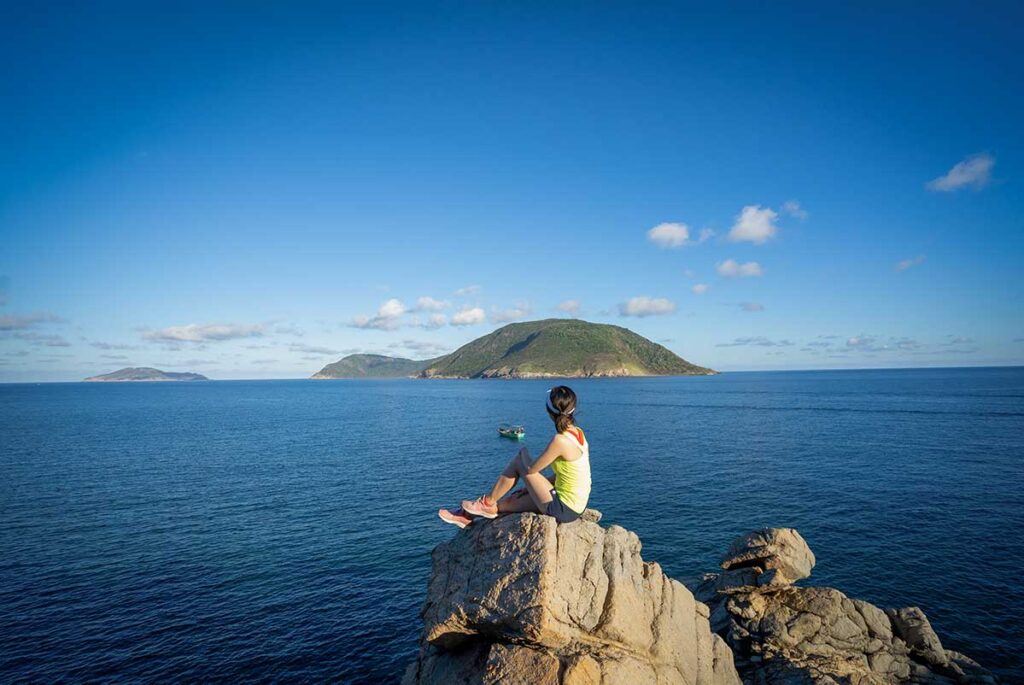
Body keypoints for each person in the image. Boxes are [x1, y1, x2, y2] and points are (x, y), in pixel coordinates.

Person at [439, 386, 591, 528]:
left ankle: (486, 501)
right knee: (506, 504)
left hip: (563, 507)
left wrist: (525, 460)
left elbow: (531, 470)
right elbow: (565, 475)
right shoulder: (578, 434)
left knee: (520, 458)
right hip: (572, 504)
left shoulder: (560, 441)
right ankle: (466, 516)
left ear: (549, 411)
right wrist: (531, 487)